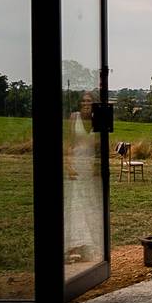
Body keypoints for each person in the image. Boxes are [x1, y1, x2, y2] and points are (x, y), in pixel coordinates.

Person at [64, 91, 103, 264]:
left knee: (91, 205)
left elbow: (101, 147)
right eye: (84, 100)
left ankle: (89, 245)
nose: (86, 103)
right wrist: (68, 166)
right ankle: (74, 245)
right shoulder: (74, 118)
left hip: (90, 167)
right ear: (80, 103)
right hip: (76, 166)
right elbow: (68, 144)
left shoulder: (98, 119)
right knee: (76, 204)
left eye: (90, 101)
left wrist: (97, 168)